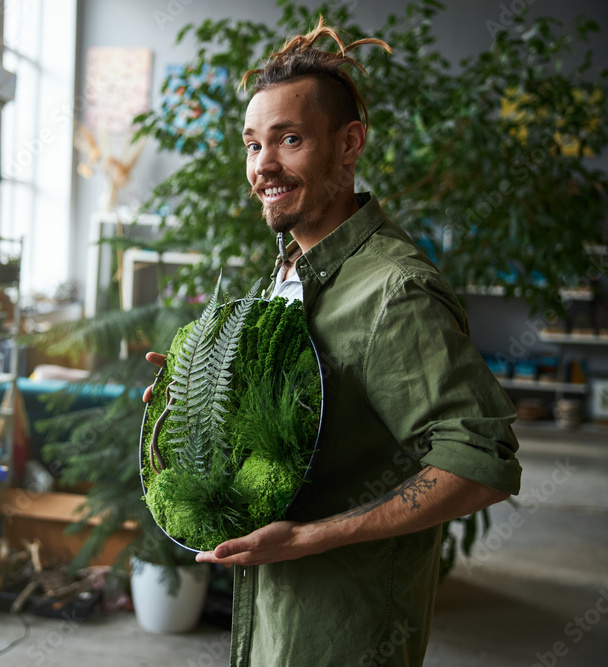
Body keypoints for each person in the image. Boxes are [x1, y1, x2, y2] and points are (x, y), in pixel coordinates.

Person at [143, 18, 522, 667]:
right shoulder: (290, 267)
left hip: (345, 635)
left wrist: (311, 536)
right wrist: (200, 397)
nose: (263, 165)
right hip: (271, 623)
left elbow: (481, 462)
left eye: (289, 139)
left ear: (349, 145)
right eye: (252, 143)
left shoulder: (394, 292)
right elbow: (302, 433)